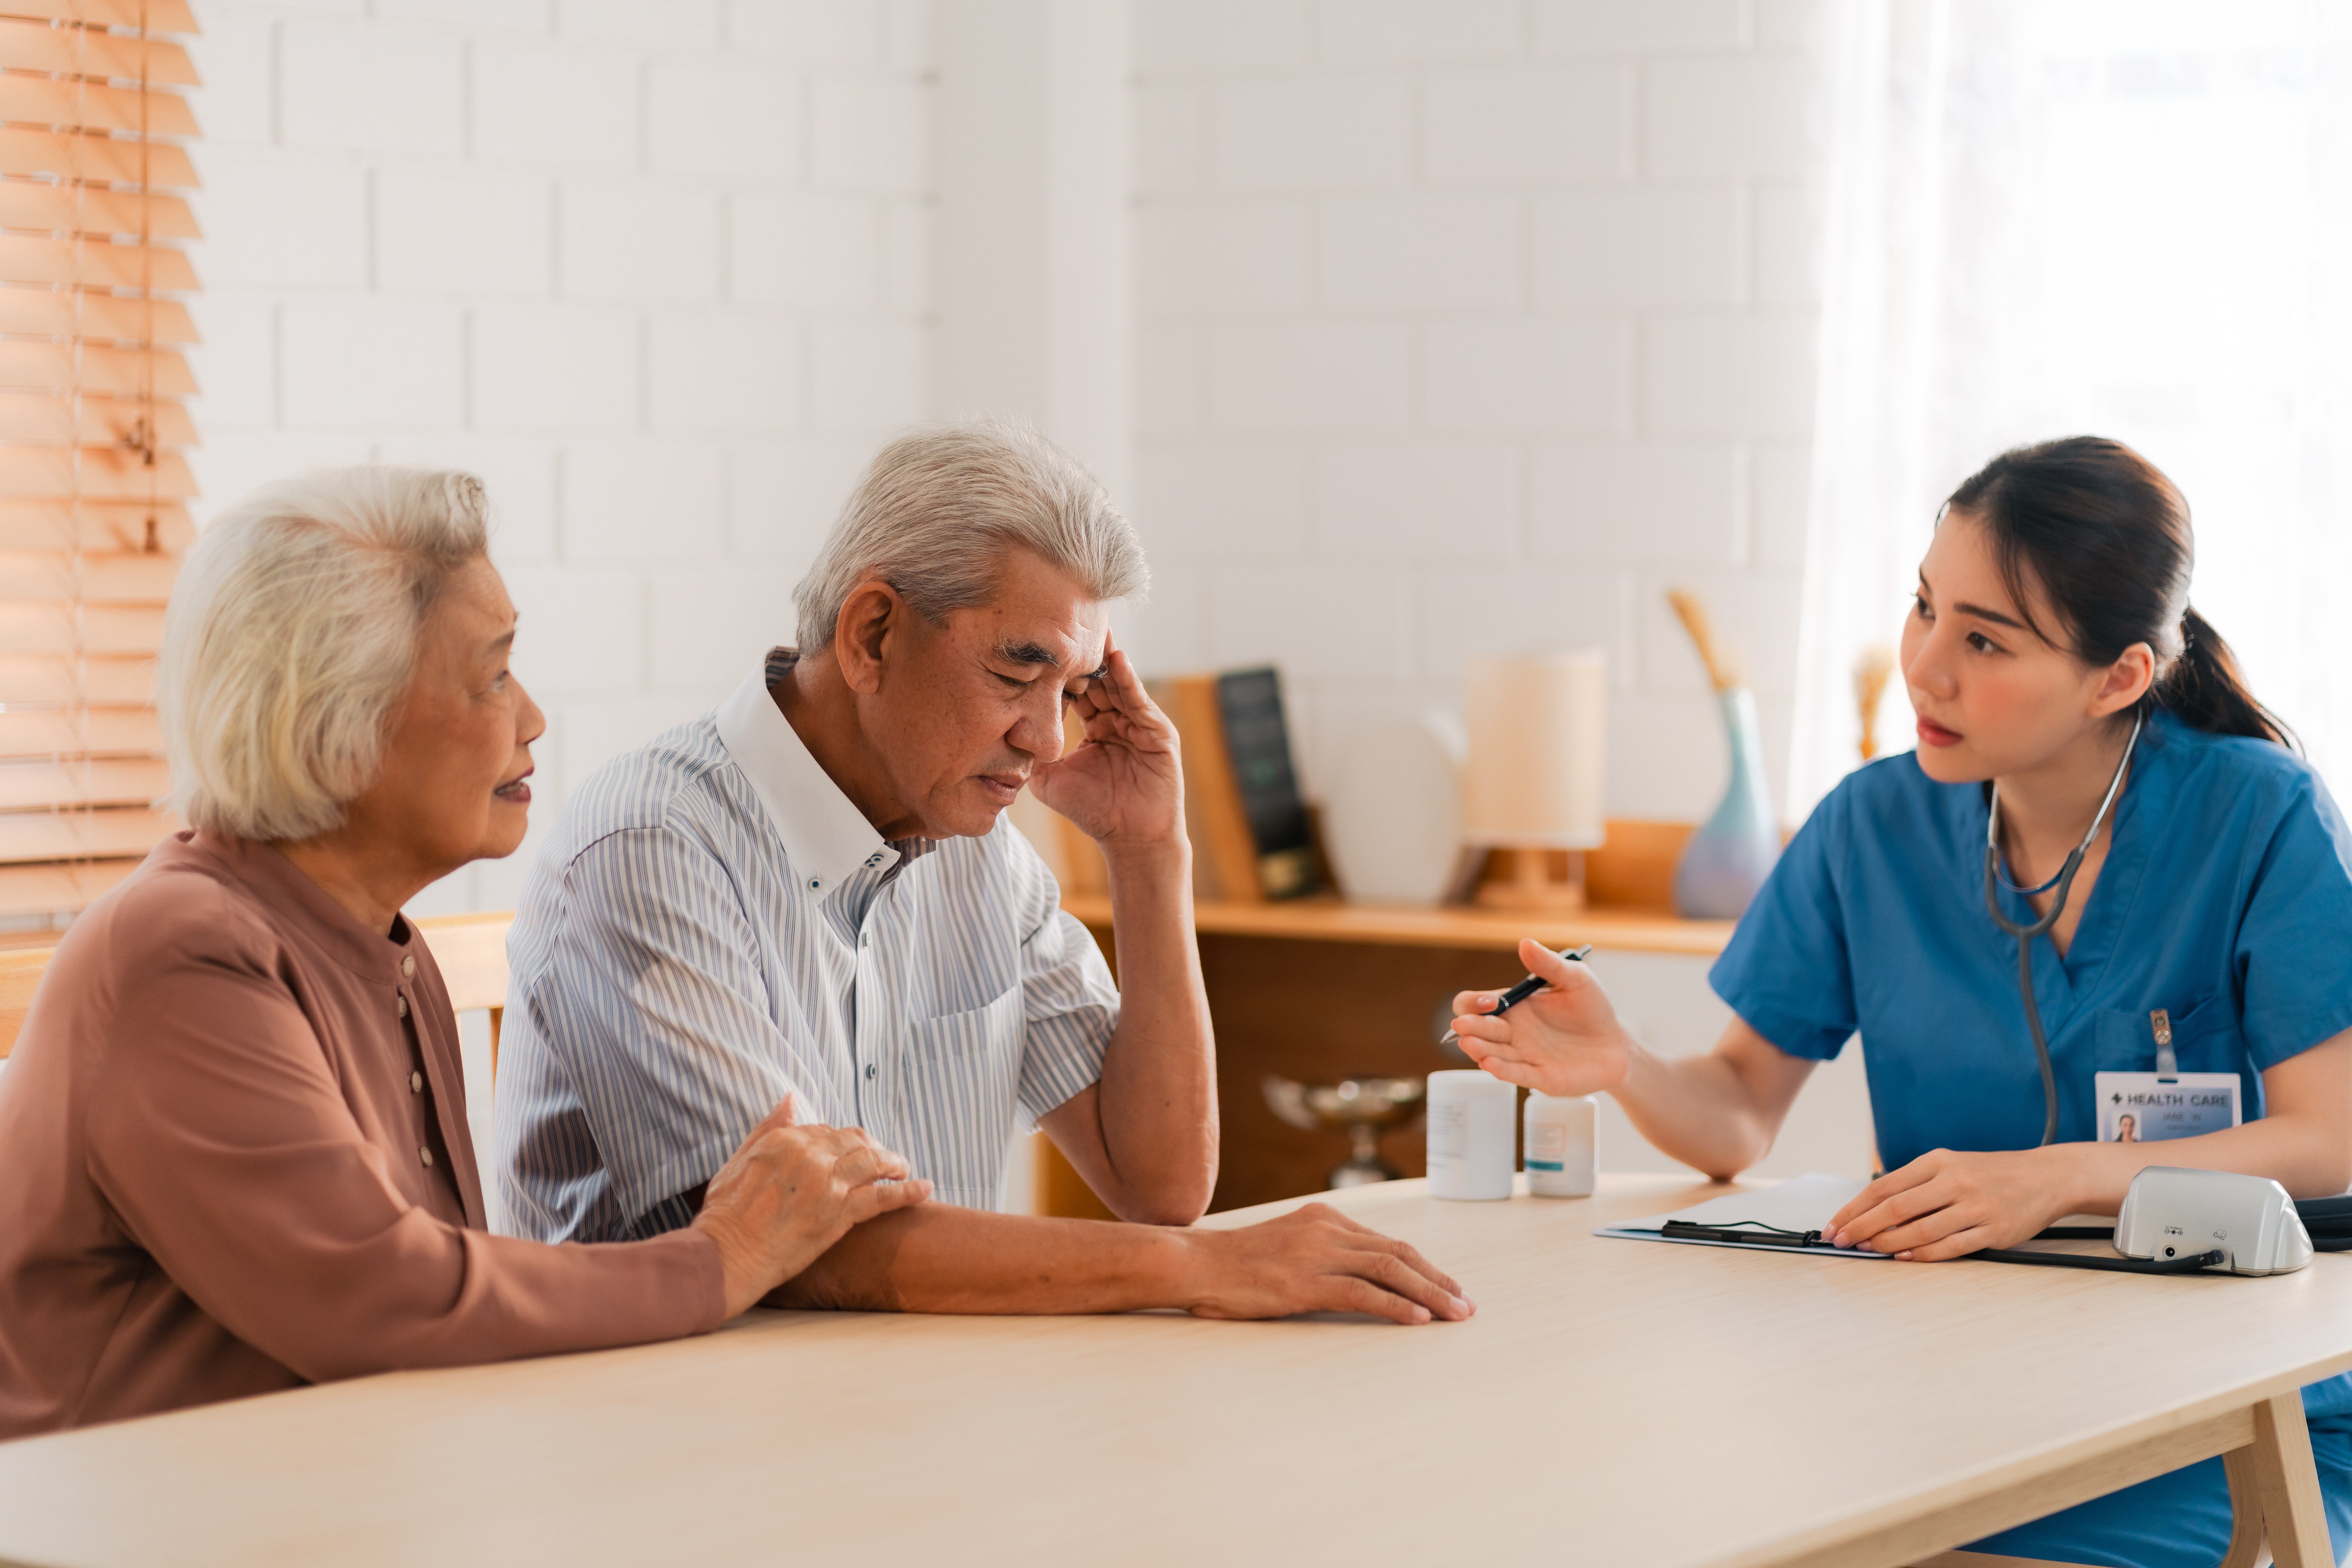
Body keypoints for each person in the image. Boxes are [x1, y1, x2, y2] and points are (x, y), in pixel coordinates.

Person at [1448, 437, 2352, 1567]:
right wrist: (1622, 1059)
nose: (1924, 667)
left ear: (2119, 676)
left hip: (2232, 1401)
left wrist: (2056, 1178)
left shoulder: (2257, 815)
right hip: (1957, 1386)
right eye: (1924, 609)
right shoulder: (1872, 825)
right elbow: (1735, 1113)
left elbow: (2327, 1142)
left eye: (1984, 640)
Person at [0, 468, 937, 1439]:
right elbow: (384, 1299)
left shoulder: (382, 949)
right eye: (493, 675)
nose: (531, 717)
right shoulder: (179, 954)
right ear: (337, 727)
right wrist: (724, 1255)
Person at [494, 421, 1472, 1326]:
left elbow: (1160, 1184)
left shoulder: (979, 848)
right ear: (873, 633)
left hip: (921, 1413)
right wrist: (1201, 1268)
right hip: (683, 1445)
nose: (1047, 740)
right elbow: (813, 1251)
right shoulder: (649, 847)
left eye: (1074, 691)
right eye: (1016, 674)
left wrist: (1147, 855)